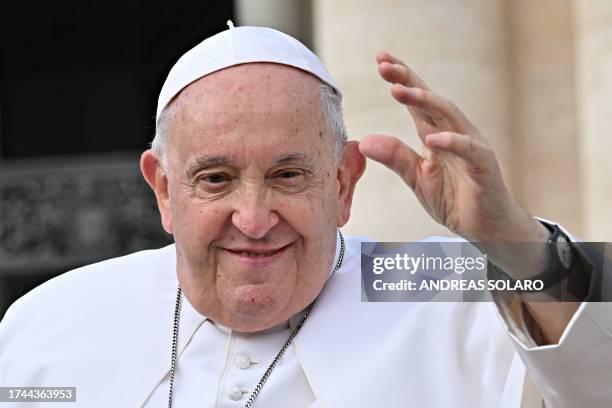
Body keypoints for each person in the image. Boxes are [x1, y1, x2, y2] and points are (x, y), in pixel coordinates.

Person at [0, 24, 610, 408]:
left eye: (288, 175)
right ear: (163, 190)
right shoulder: (51, 323)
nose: (254, 217)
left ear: (344, 182)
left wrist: (512, 241)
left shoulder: (433, 288)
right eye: (215, 179)